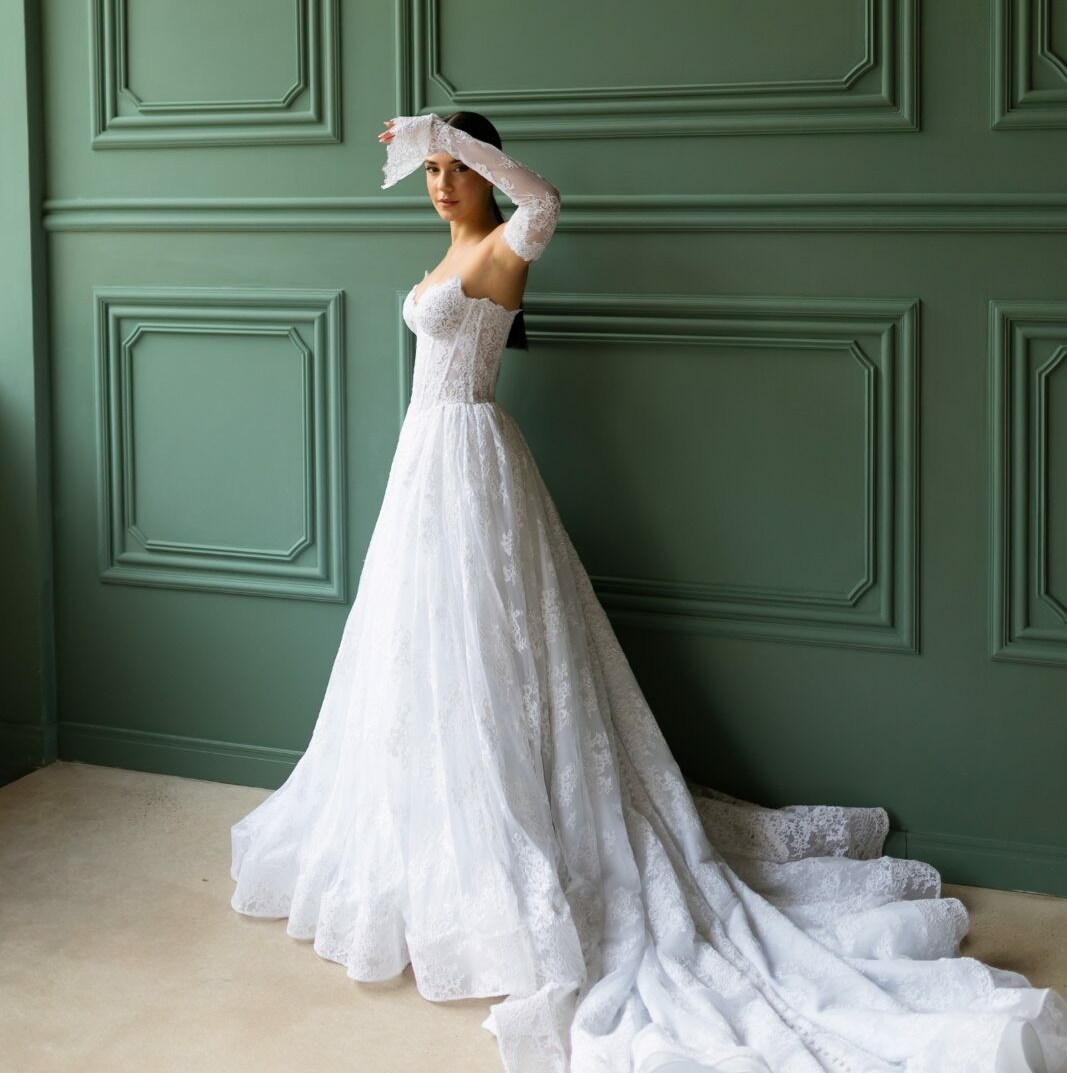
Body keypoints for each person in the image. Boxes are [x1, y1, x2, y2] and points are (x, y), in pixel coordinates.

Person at [230, 112, 1066, 1073]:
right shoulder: (449, 255)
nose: (440, 182)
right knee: (425, 653)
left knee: (495, 646)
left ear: (483, 173)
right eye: (430, 169)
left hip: (471, 459)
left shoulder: (506, 243)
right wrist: (439, 142)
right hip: (424, 467)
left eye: (454, 168)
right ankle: (440, 842)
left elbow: (545, 198)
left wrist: (452, 132)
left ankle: (522, 848)